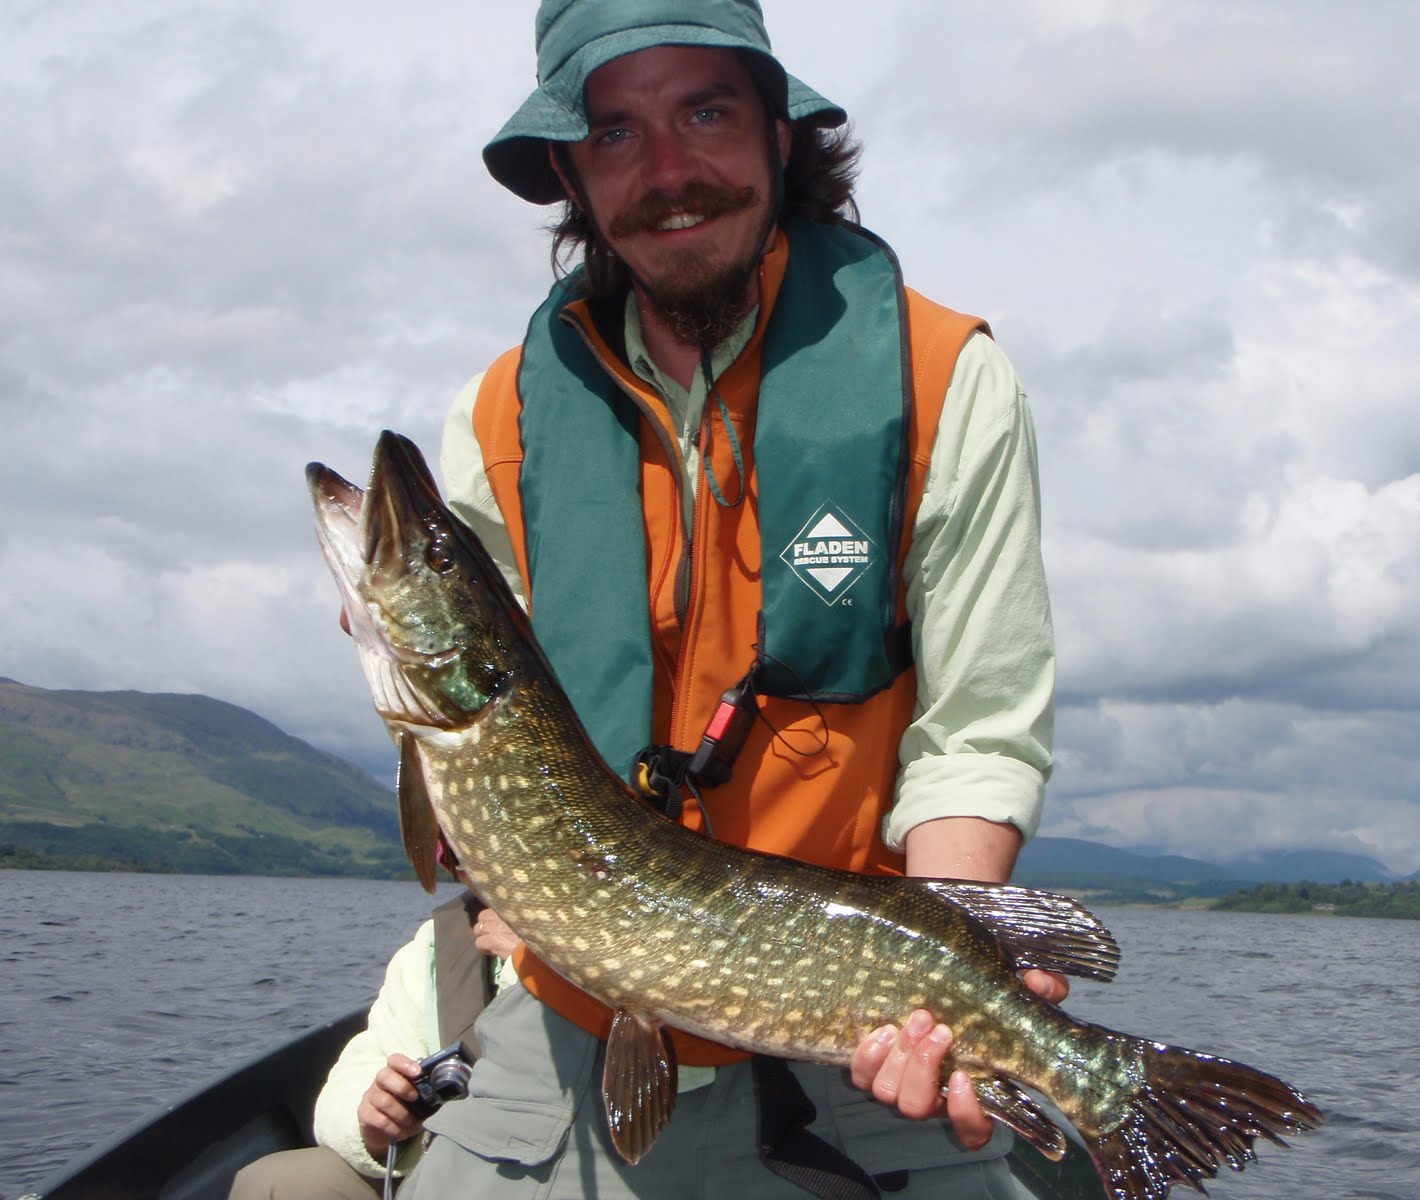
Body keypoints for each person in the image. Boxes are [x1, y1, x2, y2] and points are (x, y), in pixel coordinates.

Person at [405, 1, 1062, 1195]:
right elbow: (477, 731)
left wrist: (937, 1002)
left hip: (854, 1041)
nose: (667, 172)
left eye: (704, 111)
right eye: (614, 133)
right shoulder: (498, 416)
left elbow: (976, 731)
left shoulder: (942, 380)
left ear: (777, 129)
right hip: (569, 1036)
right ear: (569, 170)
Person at [228, 895, 519, 1198]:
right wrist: (372, 1124)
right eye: (451, 855)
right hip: (441, 1170)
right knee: (279, 1182)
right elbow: (373, 1057)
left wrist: (529, 970)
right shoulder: (432, 945)